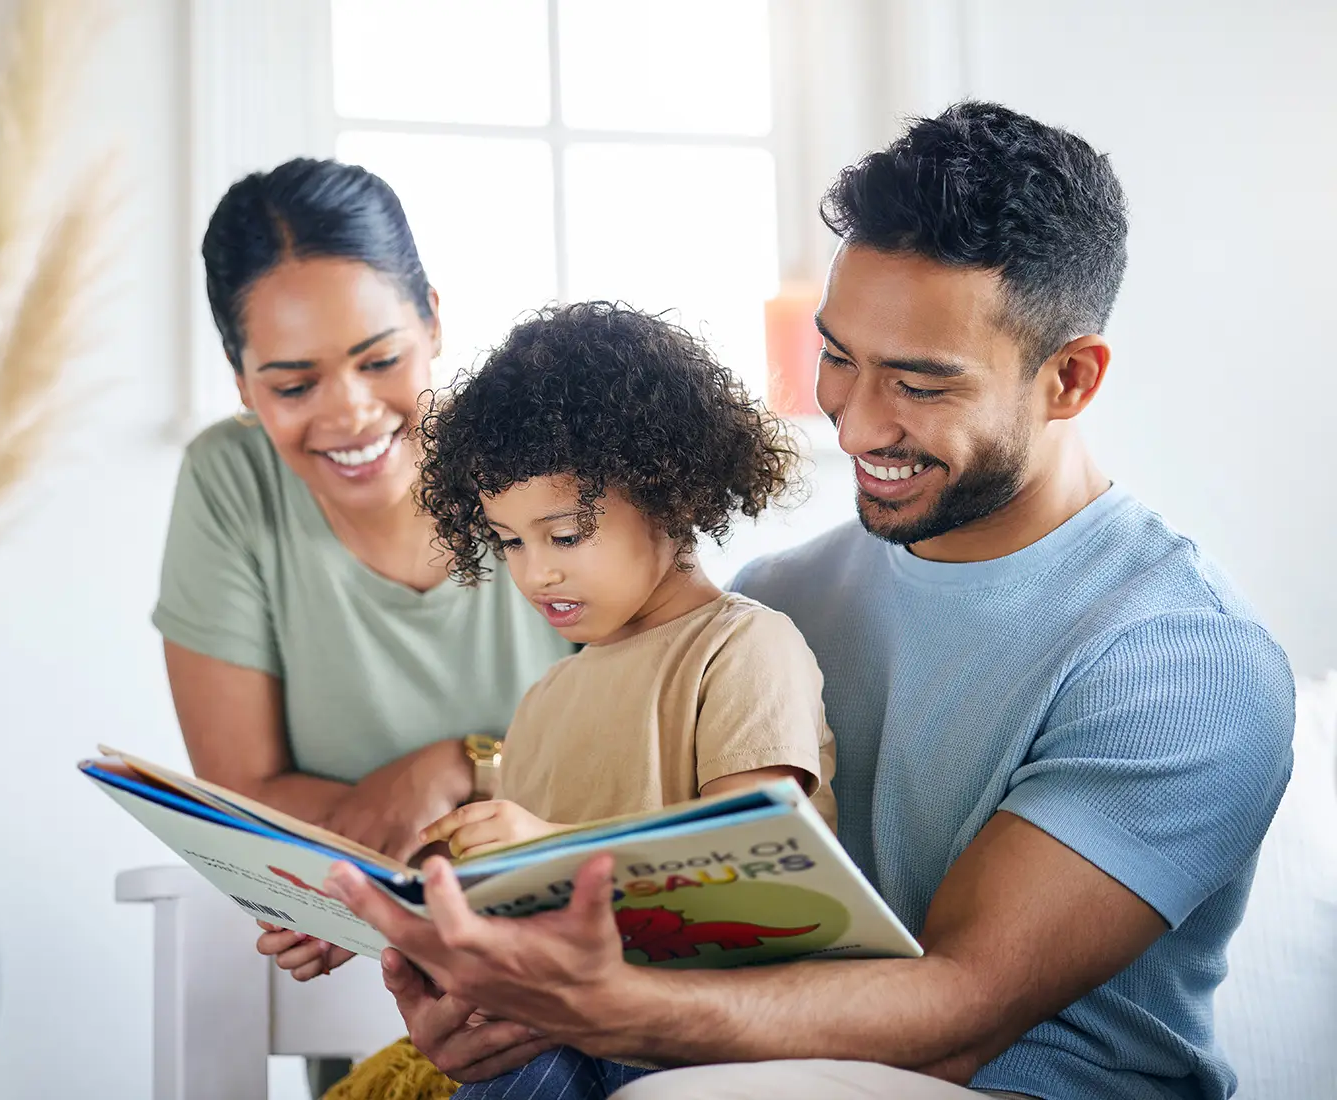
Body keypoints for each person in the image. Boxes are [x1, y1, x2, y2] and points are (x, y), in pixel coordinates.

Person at [320, 103, 1295, 1100]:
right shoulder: (777, 595)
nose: (857, 419)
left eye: (919, 382)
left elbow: (958, 1013)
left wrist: (605, 1006)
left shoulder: (1183, 662)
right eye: (838, 355)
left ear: (1069, 378)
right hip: (712, 1061)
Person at [152, 157, 573, 1093]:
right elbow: (249, 808)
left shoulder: (551, 461)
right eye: (293, 383)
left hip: (580, 981)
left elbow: (654, 761)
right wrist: (418, 851)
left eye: (380, 360)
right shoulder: (232, 484)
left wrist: (456, 767)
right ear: (241, 381)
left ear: (432, 318)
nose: (348, 412)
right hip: (379, 1001)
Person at [406, 301, 836, 1097]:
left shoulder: (742, 648)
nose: (536, 574)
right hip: (569, 1027)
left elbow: (759, 872)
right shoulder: (545, 701)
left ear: (669, 494)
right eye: (509, 542)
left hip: (715, 1033)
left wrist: (549, 848)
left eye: (565, 535)